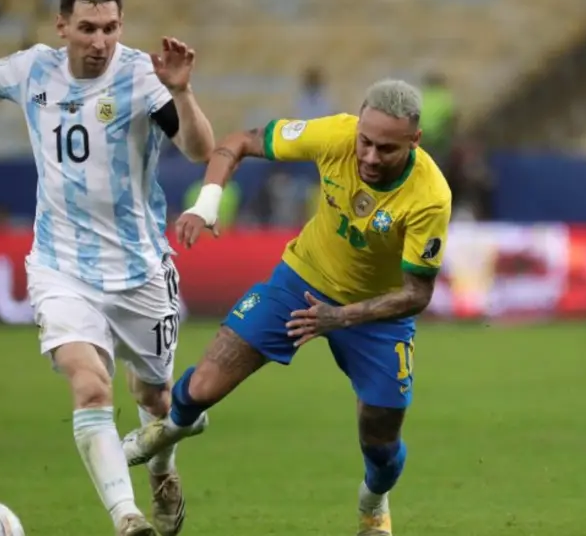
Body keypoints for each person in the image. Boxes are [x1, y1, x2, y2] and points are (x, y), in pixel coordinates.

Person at [0, 0, 215, 536]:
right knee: (90, 384)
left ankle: (163, 470)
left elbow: (198, 150)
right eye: (88, 27)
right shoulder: (34, 68)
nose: (100, 41)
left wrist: (184, 92)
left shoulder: (142, 75)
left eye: (111, 28)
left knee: (157, 399)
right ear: (62, 25)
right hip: (61, 266)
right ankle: (127, 518)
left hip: (139, 268)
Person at [121, 80, 452, 536]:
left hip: (376, 315)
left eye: (387, 150)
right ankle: (174, 425)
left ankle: (373, 502)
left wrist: (342, 317)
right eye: (366, 143)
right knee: (203, 385)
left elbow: (418, 293)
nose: (371, 157)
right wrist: (207, 203)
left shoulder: (430, 195)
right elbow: (238, 142)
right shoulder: (334, 135)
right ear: (356, 124)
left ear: (414, 141)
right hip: (302, 279)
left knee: (381, 439)